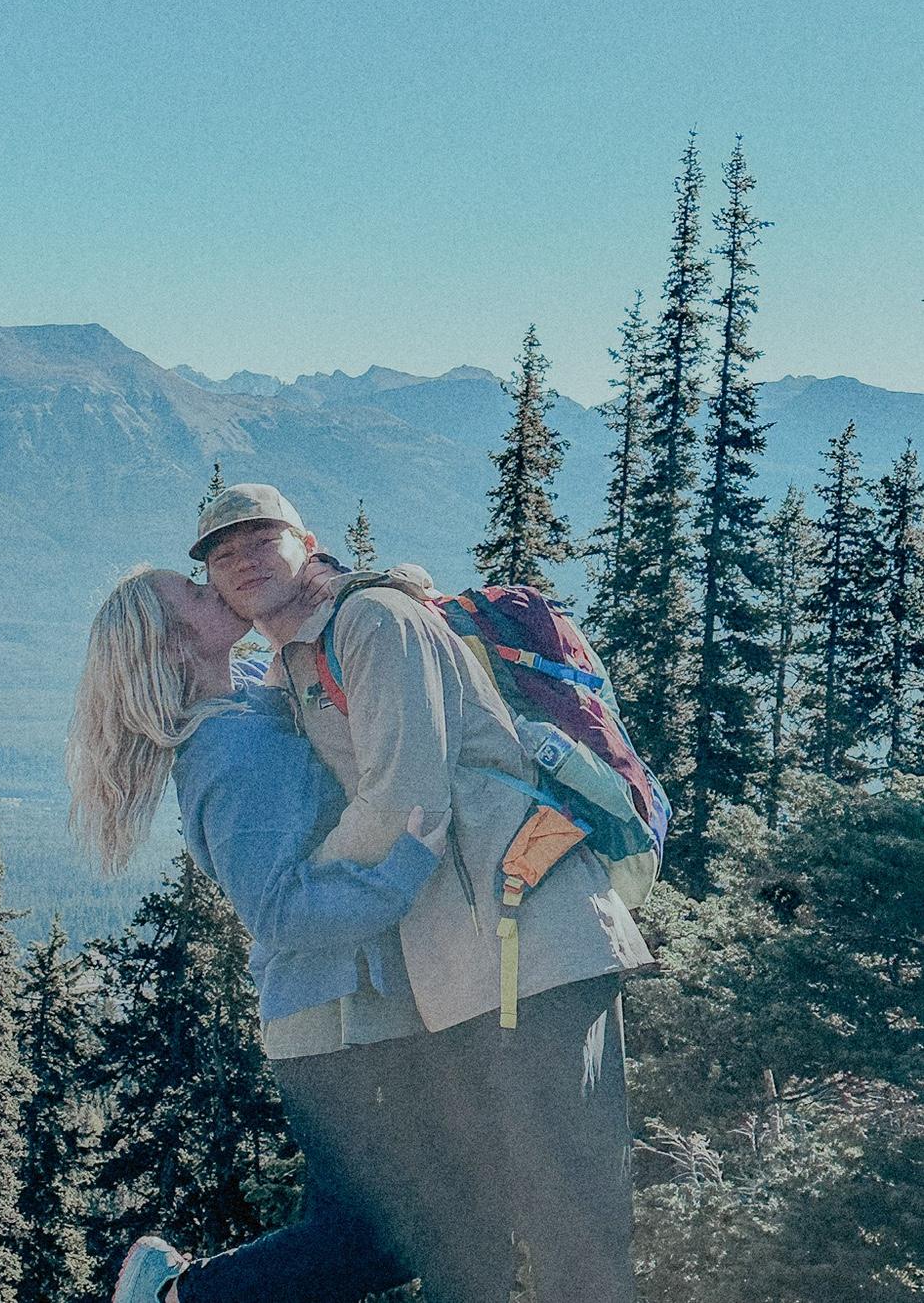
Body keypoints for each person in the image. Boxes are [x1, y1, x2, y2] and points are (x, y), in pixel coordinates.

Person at [193, 484, 655, 1303]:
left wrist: (293, 892)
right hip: (465, 967)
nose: (243, 560)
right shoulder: (302, 656)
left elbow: (404, 800)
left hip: (533, 939)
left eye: (261, 540)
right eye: (223, 554)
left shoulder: (372, 623)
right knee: (468, 1236)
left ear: (308, 541)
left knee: (572, 1224)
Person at [67, 565, 508, 1303]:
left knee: (355, 1238)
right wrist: (406, 867)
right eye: (198, 596)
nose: (219, 589)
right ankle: (177, 1296)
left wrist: (353, 592)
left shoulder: (241, 697)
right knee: (387, 1237)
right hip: (335, 1018)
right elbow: (277, 909)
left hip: (355, 1007)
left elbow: (312, 679)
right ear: (176, 646)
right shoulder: (223, 757)